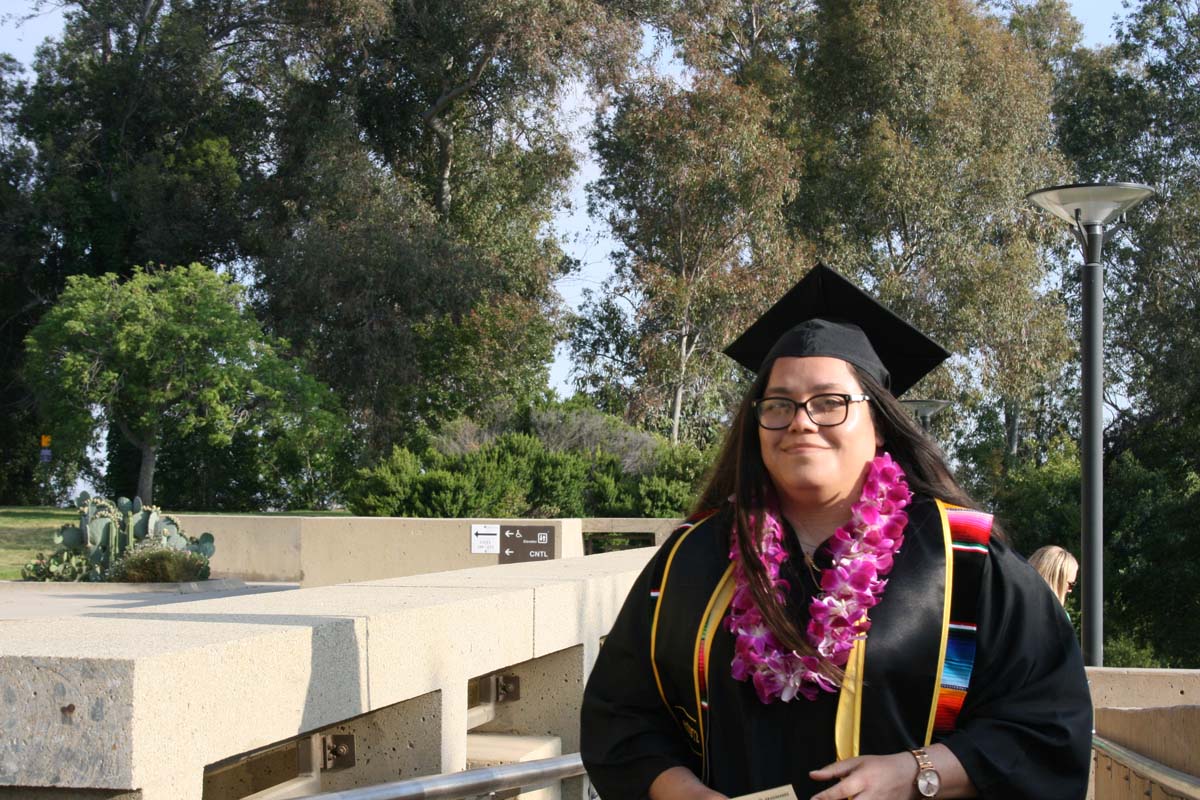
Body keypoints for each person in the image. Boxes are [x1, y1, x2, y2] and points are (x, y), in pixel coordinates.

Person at [580, 264, 1093, 800]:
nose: (801, 421)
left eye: (830, 403)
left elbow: (1048, 724)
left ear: (879, 424)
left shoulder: (964, 560)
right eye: (778, 405)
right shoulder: (693, 558)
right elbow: (620, 716)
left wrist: (920, 773)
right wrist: (684, 794)